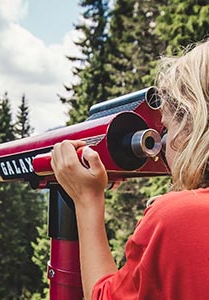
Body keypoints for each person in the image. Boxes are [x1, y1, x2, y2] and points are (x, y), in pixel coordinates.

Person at [51, 39, 209, 299]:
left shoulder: (175, 218)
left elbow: (103, 295)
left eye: (166, 129)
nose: (161, 148)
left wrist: (87, 199)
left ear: (193, 123)